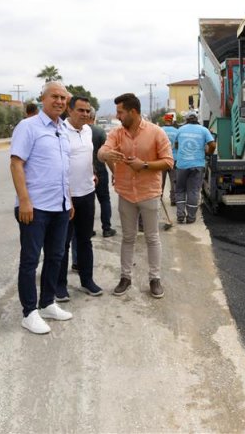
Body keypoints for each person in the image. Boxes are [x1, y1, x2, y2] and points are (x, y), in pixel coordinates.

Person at [10, 81, 74, 334]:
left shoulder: (64, 129)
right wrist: (24, 200)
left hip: (60, 206)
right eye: (54, 97)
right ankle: (29, 312)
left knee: (56, 256)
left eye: (63, 98)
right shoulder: (28, 127)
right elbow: (16, 164)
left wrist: (67, 200)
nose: (59, 101)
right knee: (30, 260)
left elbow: (62, 169)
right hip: (35, 208)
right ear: (42, 99)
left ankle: (47, 303)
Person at [97, 93, 173, 299]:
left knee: (152, 237)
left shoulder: (156, 132)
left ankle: (155, 279)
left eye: (120, 112)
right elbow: (102, 151)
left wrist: (145, 165)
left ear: (133, 112)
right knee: (128, 238)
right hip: (126, 194)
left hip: (149, 192)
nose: (117, 115)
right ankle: (125, 277)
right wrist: (106, 155)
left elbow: (168, 162)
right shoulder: (117, 134)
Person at [56, 96, 103, 299]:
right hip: (67, 197)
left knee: (85, 240)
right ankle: (60, 285)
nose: (85, 114)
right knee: (62, 244)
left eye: (87, 110)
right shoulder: (60, 131)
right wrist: (67, 194)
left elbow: (85, 156)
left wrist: (92, 172)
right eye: (81, 110)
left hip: (87, 194)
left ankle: (87, 280)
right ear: (69, 110)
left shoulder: (88, 131)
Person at [174, 111, 216, 224]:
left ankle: (180, 215)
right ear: (197, 119)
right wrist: (208, 153)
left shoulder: (180, 129)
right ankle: (191, 217)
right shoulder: (203, 130)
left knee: (180, 190)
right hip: (197, 165)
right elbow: (212, 145)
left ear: (186, 119)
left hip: (182, 165)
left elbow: (176, 145)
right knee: (193, 191)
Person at [87, 107, 115, 237]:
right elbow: (107, 155)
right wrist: (114, 172)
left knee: (89, 201)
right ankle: (106, 228)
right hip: (101, 171)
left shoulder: (80, 132)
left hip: (86, 173)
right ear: (94, 117)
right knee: (104, 200)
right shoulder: (100, 132)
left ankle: (89, 229)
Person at [160, 113, 178, 206]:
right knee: (174, 180)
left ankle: (159, 197)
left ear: (164, 120)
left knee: (160, 181)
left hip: (162, 159)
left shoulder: (160, 130)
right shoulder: (176, 131)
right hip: (173, 159)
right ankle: (173, 199)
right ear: (171, 121)